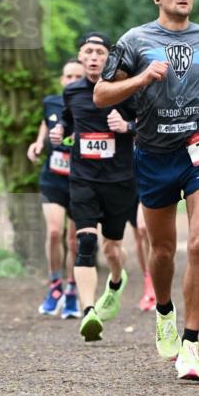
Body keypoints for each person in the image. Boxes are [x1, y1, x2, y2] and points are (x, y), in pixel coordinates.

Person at [93, 0, 199, 382]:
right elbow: (101, 93)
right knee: (161, 251)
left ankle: (191, 346)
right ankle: (164, 311)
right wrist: (142, 78)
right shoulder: (134, 40)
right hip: (153, 155)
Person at [50, 33, 138, 342]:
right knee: (85, 242)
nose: (93, 57)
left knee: (112, 248)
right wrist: (60, 129)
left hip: (119, 180)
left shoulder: (125, 89)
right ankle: (89, 311)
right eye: (88, 51)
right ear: (80, 57)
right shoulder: (72, 91)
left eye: (100, 52)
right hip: (83, 178)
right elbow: (68, 120)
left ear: (108, 58)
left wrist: (127, 126)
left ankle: (115, 281)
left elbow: (149, 124)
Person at [27, 57, 84, 317]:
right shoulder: (51, 102)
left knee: (73, 240)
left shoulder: (92, 104)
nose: (72, 81)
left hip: (80, 181)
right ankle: (54, 286)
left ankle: (72, 290)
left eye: (77, 77)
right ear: (62, 80)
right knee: (53, 232)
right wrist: (38, 143)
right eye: (69, 76)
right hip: (53, 178)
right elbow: (45, 121)